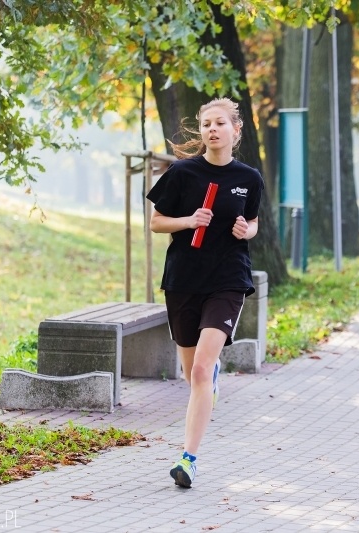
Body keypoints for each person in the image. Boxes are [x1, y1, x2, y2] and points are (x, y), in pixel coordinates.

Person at [146, 97, 264, 488]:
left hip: (228, 280)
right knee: (191, 374)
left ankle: (188, 460)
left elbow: (254, 222)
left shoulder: (249, 178)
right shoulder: (182, 173)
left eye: (220, 123)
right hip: (183, 281)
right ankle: (208, 380)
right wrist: (188, 220)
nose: (212, 129)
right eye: (206, 124)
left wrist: (247, 231)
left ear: (236, 130)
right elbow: (156, 222)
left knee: (200, 370)